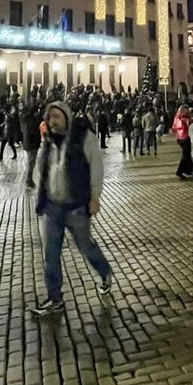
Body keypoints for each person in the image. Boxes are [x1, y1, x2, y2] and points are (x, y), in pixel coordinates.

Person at [29, 102, 113, 316]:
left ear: (67, 117)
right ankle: (55, 298)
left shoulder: (84, 138)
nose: (53, 121)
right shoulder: (47, 142)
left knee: (86, 246)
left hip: (76, 206)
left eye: (57, 116)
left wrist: (95, 196)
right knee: (51, 255)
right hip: (51, 208)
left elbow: (96, 167)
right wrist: (41, 191)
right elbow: (40, 170)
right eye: (50, 117)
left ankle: (104, 272)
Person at [173, 105, 193, 179]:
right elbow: (189, 125)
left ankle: (188, 170)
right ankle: (180, 171)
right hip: (185, 137)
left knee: (187, 154)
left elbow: (173, 127)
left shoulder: (176, 117)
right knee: (186, 154)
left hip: (179, 137)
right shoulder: (185, 117)